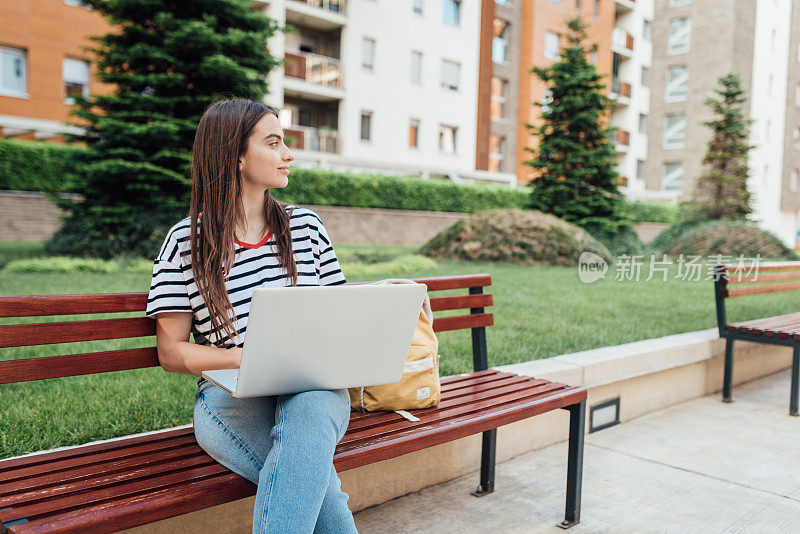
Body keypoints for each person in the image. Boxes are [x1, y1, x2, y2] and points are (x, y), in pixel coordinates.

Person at [144, 99, 358, 533]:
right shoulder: (186, 241)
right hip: (232, 398)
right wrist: (251, 357)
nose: (288, 155)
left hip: (313, 388)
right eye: (274, 143)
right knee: (315, 483)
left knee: (313, 412)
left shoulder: (307, 228)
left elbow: (341, 319)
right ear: (236, 156)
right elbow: (171, 352)